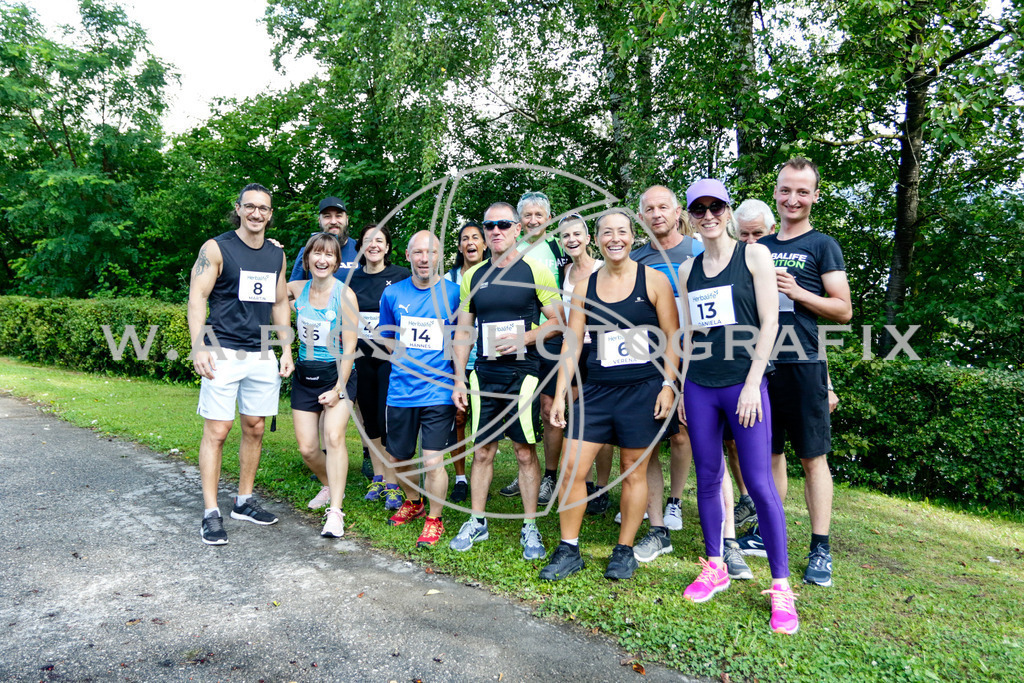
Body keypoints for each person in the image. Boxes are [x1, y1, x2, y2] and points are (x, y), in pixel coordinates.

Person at [677, 178, 798, 634]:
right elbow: (690, 333)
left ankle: (781, 588)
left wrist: (752, 383)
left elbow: (770, 323)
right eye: (699, 209)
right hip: (701, 386)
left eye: (715, 207)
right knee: (707, 477)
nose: (708, 216)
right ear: (691, 216)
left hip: (745, 386)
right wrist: (683, 383)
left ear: (727, 211)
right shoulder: (689, 269)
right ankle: (715, 565)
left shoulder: (754, 255)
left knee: (761, 484)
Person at [539, 209, 679, 581]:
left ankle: (624, 549)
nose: (614, 238)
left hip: (643, 389)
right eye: (606, 233)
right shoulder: (586, 287)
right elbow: (572, 345)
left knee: (632, 473)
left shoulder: (655, 281)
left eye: (622, 232)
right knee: (572, 469)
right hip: (596, 390)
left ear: (632, 237)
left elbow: (674, 339)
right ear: (597, 239)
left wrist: (669, 385)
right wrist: (559, 394)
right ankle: (569, 548)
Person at [753, 157, 852, 588]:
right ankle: (767, 532)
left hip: (804, 365)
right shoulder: (757, 248)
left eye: (802, 191)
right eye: (785, 190)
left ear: (814, 195)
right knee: (771, 456)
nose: (793, 198)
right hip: (760, 366)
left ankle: (820, 548)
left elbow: (843, 310)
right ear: (775, 193)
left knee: (813, 458)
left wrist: (798, 291)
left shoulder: (822, 244)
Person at [450, 202, 562, 559]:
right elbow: (464, 331)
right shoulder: (472, 276)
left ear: (517, 230)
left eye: (503, 224)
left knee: (525, 451)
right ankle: (477, 521)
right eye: (489, 226)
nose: (496, 231)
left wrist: (525, 339)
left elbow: (558, 321)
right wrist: (458, 380)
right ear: (484, 233)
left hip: (524, 374)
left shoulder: (537, 270)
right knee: (482, 450)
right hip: (484, 374)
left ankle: (530, 527)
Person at [188, 183, 293, 545]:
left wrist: (287, 350)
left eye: (263, 208)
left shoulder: (276, 255)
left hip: (262, 354)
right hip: (222, 351)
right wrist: (199, 345)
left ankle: (243, 501)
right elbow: (197, 297)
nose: (256, 213)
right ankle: (210, 512)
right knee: (217, 432)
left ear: (270, 214)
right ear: (239, 208)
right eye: (250, 206)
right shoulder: (216, 248)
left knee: (255, 427)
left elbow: (280, 303)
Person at [627, 185, 703, 560]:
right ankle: (653, 513)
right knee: (649, 438)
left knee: (683, 434)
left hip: (693, 355)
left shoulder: (697, 249)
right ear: (640, 218)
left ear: (678, 213)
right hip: (646, 359)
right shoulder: (637, 257)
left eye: (663, 207)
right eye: (649, 209)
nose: (656, 214)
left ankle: (675, 501)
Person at [377, 231, 462, 546]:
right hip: (401, 389)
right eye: (418, 253)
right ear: (408, 255)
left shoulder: (454, 294)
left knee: (432, 460)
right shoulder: (393, 294)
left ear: (440, 255)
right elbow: (386, 334)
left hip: (438, 389)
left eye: (431, 252)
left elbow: (463, 339)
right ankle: (413, 501)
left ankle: (434, 519)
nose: (424, 259)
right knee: (398, 458)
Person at [285, 233, 359, 536]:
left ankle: (336, 512)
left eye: (329, 255)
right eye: (316, 253)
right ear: (307, 259)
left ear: (337, 262)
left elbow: (351, 349)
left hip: (337, 375)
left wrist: (339, 389)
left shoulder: (345, 295)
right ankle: (328, 484)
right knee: (307, 448)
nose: (322, 259)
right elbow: (272, 292)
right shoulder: (298, 289)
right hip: (305, 376)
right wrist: (274, 254)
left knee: (333, 435)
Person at [498, 191, 569, 503]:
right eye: (527, 215)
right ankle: (525, 469)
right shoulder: (511, 247)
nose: (533, 220)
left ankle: (550, 476)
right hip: (519, 336)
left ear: (548, 219)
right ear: (518, 221)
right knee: (522, 407)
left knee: (548, 407)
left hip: (551, 337)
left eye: (539, 215)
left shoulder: (559, 247)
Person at [348, 224, 411, 511]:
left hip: (391, 357)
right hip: (361, 357)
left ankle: (394, 481)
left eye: (379, 241)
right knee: (369, 418)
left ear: (387, 247)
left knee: (389, 419)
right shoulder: (349, 278)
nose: (373, 245)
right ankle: (378, 476)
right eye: (367, 241)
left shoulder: (401, 276)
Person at [555, 214, 613, 516]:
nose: (572, 240)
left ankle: (602, 487)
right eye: (566, 236)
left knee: (601, 423)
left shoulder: (605, 268)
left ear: (588, 238)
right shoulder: (564, 272)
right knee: (580, 421)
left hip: (604, 350)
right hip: (576, 351)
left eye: (577, 234)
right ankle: (586, 485)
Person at [444, 221, 490, 504]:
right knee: (458, 418)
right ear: (460, 246)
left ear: (485, 244)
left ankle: (481, 471)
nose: (470, 242)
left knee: (483, 420)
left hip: (487, 358)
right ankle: (461, 477)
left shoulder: (495, 275)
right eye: (464, 238)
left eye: (476, 237)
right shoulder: (448, 279)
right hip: (456, 357)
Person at [289, 197, 358, 281]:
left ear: (347, 219)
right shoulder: (307, 252)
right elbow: (293, 289)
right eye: (327, 216)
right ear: (319, 221)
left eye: (338, 216)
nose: (333, 221)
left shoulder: (361, 250)